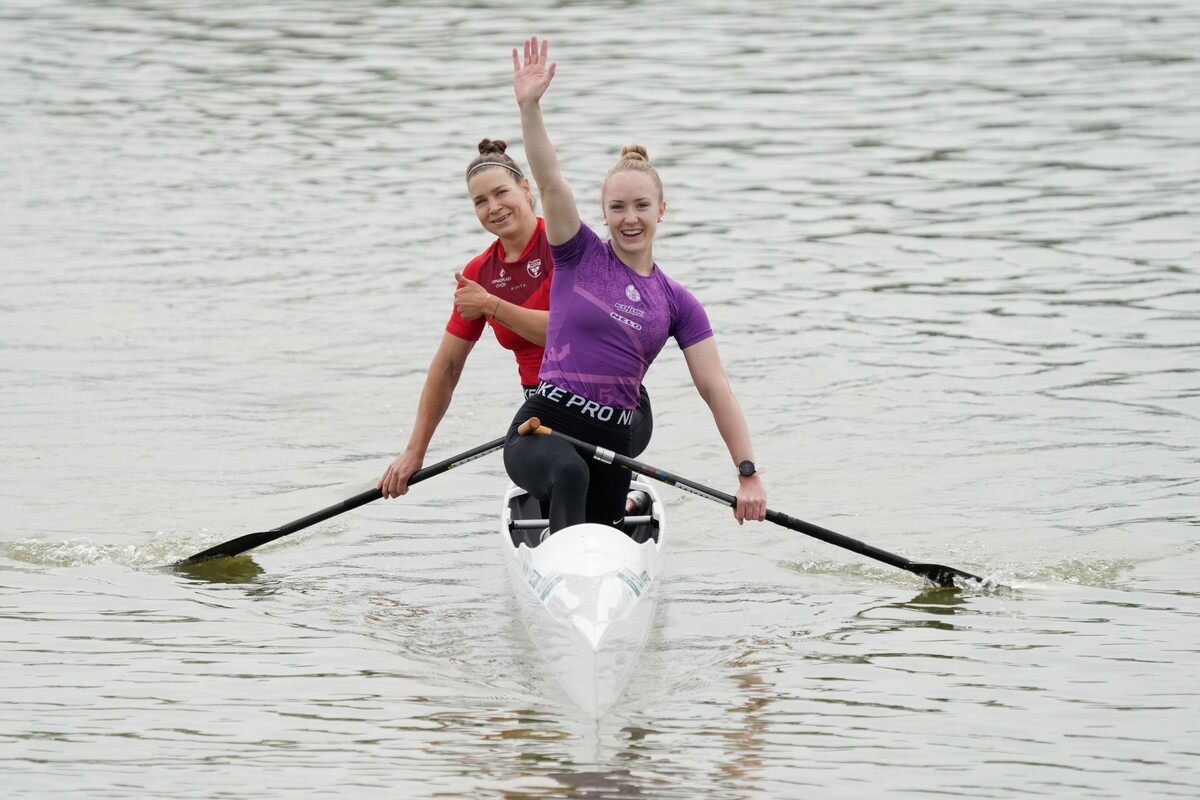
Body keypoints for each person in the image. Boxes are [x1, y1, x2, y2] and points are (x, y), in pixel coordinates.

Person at [503, 36, 767, 535]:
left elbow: (715, 389)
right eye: (617, 208)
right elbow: (551, 180)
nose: (630, 219)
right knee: (568, 471)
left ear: (661, 211)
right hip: (542, 430)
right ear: (603, 213)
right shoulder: (577, 254)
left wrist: (747, 473)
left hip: (614, 443)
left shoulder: (678, 303)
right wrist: (530, 108)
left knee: (595, 503)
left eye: (642, 206)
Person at [378, 139, 653, 501]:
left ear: (525, 189)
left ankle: (620, 501)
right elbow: (446, 367)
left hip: (614, 406)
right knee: (567, 473)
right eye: (480, 201)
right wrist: (415, 450)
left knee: (571, 474)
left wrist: (491, 305)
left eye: (500, 193)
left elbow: (571, 335)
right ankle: (623, 501)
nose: (493, 207)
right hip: (545, 408)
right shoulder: (479, 273)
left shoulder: (569, 247)